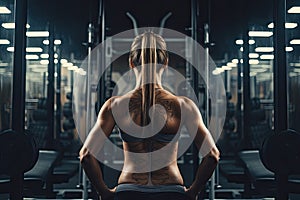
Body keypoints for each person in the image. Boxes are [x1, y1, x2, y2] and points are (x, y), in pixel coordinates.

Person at [79, 31, 219, 200]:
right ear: (166, 63)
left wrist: (104, 192)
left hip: (128, 190)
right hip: (171, 190)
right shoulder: (184, 106)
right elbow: (212, 155)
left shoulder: (114, 105)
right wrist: (193, 191)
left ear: (131, 63)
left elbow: (86, 155)